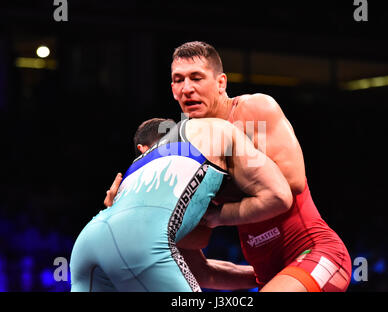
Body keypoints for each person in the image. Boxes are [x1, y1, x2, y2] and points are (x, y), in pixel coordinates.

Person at [105, 41, 352, 292]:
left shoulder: (253, 111)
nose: (187, 88)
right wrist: (132, 207)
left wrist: (214, 209)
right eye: (179, 80)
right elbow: (202, 272)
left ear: (221, 83)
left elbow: (292, 181)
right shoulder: (183, 148)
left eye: (196, 78)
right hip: (276, 275)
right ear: (172, 90)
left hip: (318, 252)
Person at [70, 117, 293, 291]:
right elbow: (280, 196)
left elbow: (202, 272)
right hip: (141, 244)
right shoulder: (210, 136)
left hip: (86, 243)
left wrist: (264, 276)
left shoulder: (133, 174)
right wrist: (220, 216)